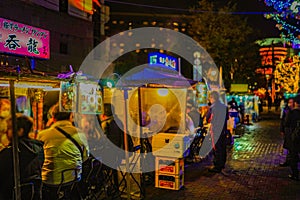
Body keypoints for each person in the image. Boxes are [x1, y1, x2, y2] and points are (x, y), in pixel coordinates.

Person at [37, 104, 89, 200]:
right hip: (74, 177)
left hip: (50, 179)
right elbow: (85, 157)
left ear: (53, 117)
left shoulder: (42, 135)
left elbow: (38, 160)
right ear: (71, 116)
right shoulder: (79, 133)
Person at [0, 115, 44, 200]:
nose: (6, 132)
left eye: (9, 128)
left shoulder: (11, 152)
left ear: (20, 131)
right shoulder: (38, 147)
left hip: (11, 194)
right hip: (34, 193)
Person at [206, 91, 228, 173]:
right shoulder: (224, 107)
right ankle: (222, 164)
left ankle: (217, 166)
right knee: (223, 147)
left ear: (212, 98)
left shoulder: (212, 107)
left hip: (215, 130)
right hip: (223, 131)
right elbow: (227, 118)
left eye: (210, 98)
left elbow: (208, 119)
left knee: (217, 148)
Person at [284, 96, 300, 181]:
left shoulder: (292, 113)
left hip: (294, 137)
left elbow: (286, 124)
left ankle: (295, 174)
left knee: (294, 155)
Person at [279, 98, 294, 167]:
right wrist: (282, 129)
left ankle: (291, 161)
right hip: (287, 131)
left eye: (291, 102)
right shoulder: (286, 110)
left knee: (292, 147)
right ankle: (289, 160)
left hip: (292, 132)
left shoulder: (294, 112)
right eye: (289, 102)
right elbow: (282, 120)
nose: (290, 104)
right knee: (288, 147)